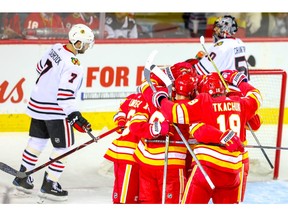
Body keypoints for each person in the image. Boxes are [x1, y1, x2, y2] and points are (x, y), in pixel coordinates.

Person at [12, 24, 95, 201]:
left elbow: (38, 67)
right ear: (78, 43)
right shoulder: (74, 65)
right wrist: (75, 116)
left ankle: (22, 177)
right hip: (56, 111)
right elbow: (64, 96)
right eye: (86, 44)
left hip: (37, 105)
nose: (87, 47)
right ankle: (50, 184)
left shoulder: (56, 47)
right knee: (64, 148)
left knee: (37, 141)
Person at [150, 72, 262, 203]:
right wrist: (240, 81)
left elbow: (175, 112)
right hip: (232, 172)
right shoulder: (240, 103)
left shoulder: (204, 101)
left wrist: (161, 100)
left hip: (207, 169)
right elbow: (256, 97)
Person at [103, 92, 143, 204]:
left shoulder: (132, 97)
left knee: (123, 196)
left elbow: (119, 112)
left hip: (122, 150)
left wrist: (120, 121)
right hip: (131, 152)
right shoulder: (156, 100)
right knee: (126, 199)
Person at [194, 15, 250, 80]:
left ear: (225, 30)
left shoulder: (221, 46)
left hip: (230, 87)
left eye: (218, 27)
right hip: (244, 85)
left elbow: (200, 70)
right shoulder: (240, 42)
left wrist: (199, 59)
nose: (215, 29)